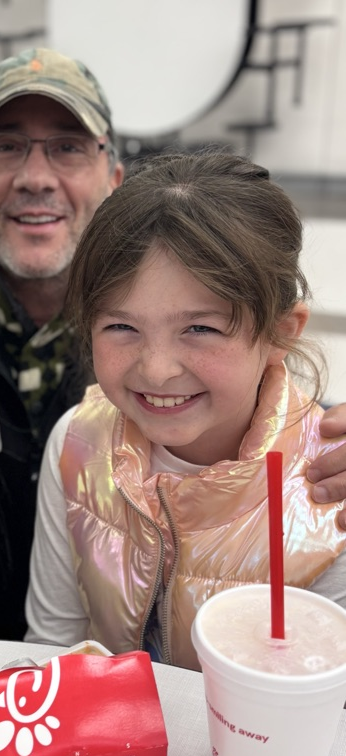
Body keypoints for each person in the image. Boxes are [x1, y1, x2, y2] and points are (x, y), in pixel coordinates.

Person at [0, 46, 346, 643]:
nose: (158, 367)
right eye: (6, 146)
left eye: (68, 146)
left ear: (113, 181)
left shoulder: (325, 480)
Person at [25, 149, 346, 669]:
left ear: (281, 332)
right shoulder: (77, 443)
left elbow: (326, 693)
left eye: (200, 328)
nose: (156, 370)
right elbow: (52, 643)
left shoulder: (330, 488)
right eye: (121, 326)